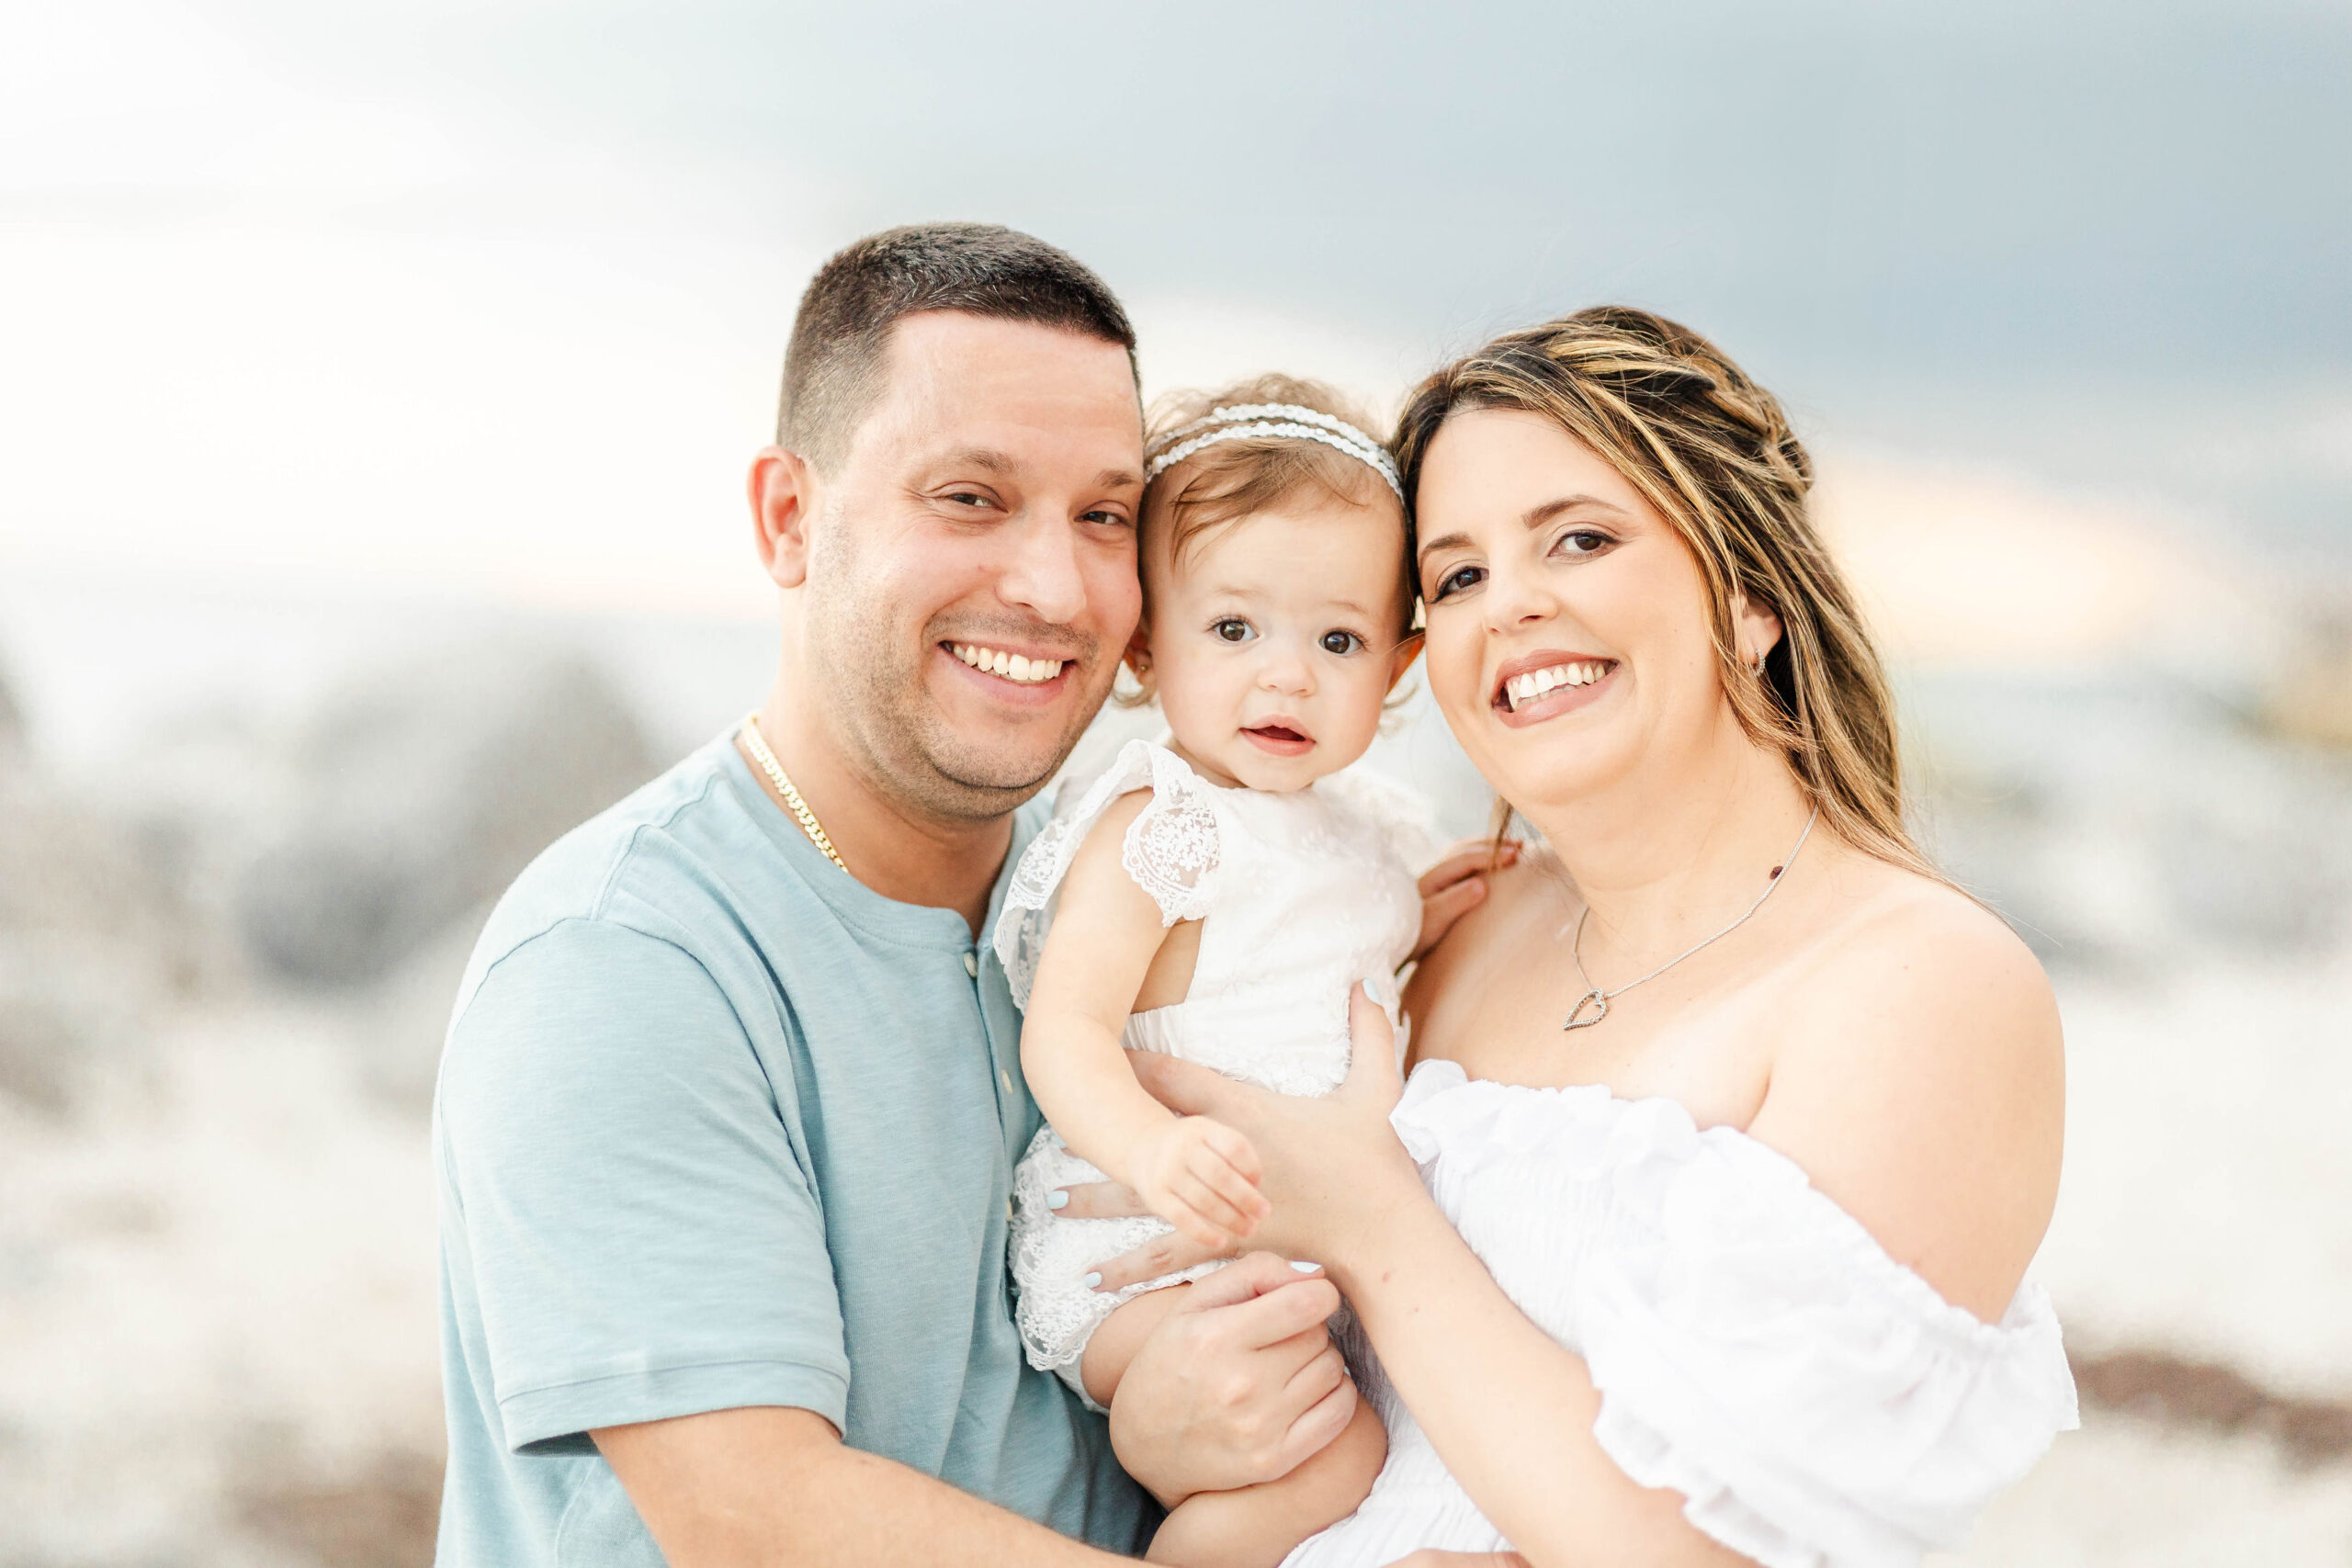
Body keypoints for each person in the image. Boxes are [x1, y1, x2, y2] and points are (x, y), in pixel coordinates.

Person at [430, 225, 1492, 1567]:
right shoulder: (623, 962)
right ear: (790, 520)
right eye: (970, 498)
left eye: (1103, 516)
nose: (1052, 588)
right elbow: (761, 1518)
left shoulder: (1136, 871)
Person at [1068, 308, 2081, 1567]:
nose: (1513, 608)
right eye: (1459, 576)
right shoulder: (1440, 923)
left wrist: (1378, 1231)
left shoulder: (1919, 986)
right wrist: (1172, 1425)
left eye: (1580, 541)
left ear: (1754, 591)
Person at [997, 377, 1468, 1566]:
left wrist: (1425, 916)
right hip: (1138, 1247)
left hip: (1284, 1238)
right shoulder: (1164, 824)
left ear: (1401, 665)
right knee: (1338, 1449)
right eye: (1235, 628)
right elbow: (1067, 1032)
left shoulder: (1370, 830)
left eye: (1339, 638)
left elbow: (1318, 956)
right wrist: (1154, 1151)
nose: (1287, 675)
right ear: (1149, 639)